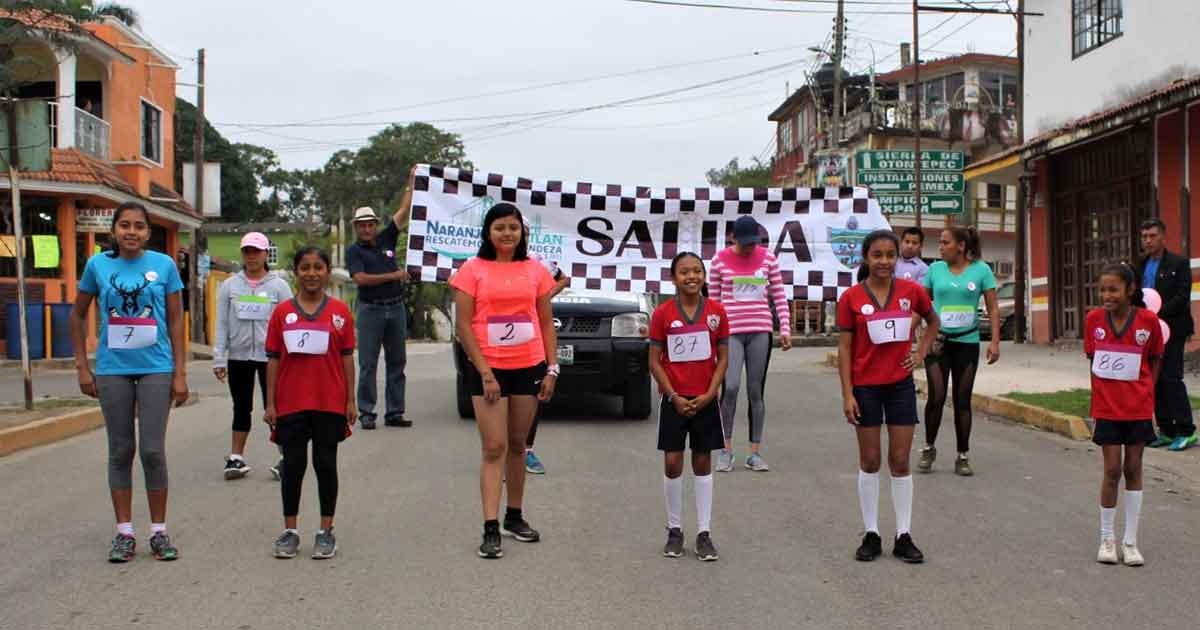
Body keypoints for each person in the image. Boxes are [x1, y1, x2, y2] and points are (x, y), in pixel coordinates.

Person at [70, 202, 188, 563]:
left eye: (139, 226)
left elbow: (175, 319)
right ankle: (124, 533)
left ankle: (158, 531)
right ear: (115, 230)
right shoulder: (97, 265)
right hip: (112, 369)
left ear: (148, 232)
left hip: (156, 366)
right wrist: (82, 367)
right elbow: (77, 314)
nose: (131, 232)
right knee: (120, 450)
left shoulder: (164, 266)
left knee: (152, 450)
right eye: (125, 225)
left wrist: (180, 373)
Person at [450, 202, 558, 559]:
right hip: (487, 369)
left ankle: (515, 516)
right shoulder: (472, 269)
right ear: (488, 233)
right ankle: (490, 526)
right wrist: (485, 372)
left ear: (522, 232)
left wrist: (551, 368)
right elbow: (464, 325)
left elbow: (544, 321)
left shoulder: (535, 270)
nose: (507, 233)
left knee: (517, 445)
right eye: (500, 227)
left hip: (528, 366)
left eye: (513, 227)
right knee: (493, 447)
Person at [837, 230, 939, 564]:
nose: (884, 261)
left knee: (899, 460)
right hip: (865, 388)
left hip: (900, 387)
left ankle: (903, 534)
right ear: (866, 258)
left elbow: (932, 321)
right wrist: (847, 393)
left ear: (897, 258)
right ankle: (871, 533)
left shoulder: (911, 291)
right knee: (869, 461)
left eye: (889, 255)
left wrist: (921, 352)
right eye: (877, 255)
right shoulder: (851, 297)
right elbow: (845, 348)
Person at [264, 246, 356, 560]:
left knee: (325, 464)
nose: (312, 273)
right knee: (292, 466)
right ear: (296, 272)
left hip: (329, 401)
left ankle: (325, 530)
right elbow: (273, 359)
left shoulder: (340, 312)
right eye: (305, 267)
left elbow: (347, 359)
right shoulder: (281, 313)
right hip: (291, 403)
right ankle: (290, 530)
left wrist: (351, 400)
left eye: (318, 267)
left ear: (327, 271)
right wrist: (270, 403)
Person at [649, 252, 730, 561]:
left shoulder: (717, 312)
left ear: (705, 276)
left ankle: (704, 532)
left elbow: (722, 357)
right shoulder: (663, 313)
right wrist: (672, 396)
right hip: (675, 399)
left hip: (705, 398)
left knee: (702, 461)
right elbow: (654, 362)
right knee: (672, 463)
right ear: (674, 278)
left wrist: (711, 394)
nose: (692, 276)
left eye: (697, 271)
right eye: (684, 272)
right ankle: (674, 529)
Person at [1085, 263, 1162, 566]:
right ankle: (1107, 538)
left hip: (1138, 408)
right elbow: (1093, 361)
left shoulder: (1148, 321)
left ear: (1130, 290)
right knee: (1112, 470)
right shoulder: (1093, 320)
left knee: (1133, 468)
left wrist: (1147, 394)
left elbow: (1156, 358)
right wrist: (1099, 399)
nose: (1107, 295)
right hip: (1107, 408)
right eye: (1103, 289)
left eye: (1113, 289)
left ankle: (1130, 541)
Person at [709, 216, 791, 473]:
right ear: (733, 237)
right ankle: (725, 449)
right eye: (744, 243)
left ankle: (754, 452)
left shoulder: (768, 259)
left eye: (752, 243)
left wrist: (785, 328)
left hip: (760, 330)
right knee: (730, 387)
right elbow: (712, 300)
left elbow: (778, 294)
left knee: (756, 391)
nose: (748, 248)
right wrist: (712, 334)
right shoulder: (719, 261)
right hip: (730, 332)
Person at [918, 226, 1000, 476]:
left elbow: (993, 308)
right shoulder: (934, 270)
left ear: (961, 246)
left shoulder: (982, 270)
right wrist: (911, 338)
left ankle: (962, 455)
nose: (940, 247)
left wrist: (995, 342)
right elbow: (920, 306)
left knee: (963, 400)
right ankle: (928, 447)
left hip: (967, 343)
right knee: (937, 396)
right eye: (939, 242)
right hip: (938, 343)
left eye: (945, 242)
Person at [212, 232, 293, 481]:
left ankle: (285, 456)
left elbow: (290, 322)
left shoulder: (279, 286)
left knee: (275, 406)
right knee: (241, 407)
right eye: (247, 251)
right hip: (239, 356)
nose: (252, 256)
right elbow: (222, 323)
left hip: (271, 357)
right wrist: (219, 357)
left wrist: (292, 357)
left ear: (266, 254)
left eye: (256, 251)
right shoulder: (230, 286)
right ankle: (236, 457)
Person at [346, 196, 411, 430]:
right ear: (356, 227)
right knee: (368, 363)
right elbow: (360, 279)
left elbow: (404, 211)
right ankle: (367, 412)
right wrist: (393, 276)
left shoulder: (386, 238)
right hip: (370, 309)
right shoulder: (354, 251)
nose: (366, 229)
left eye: (370, 224)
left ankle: (394, 412)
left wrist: (411, 184)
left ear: (375, 225)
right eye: (362, 225)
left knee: (397, 362)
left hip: (395, 307)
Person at [1135, 218, 1197, 451]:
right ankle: (1167, 431)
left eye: (1152, 235)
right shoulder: (1140, 264)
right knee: (1155, 380)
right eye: (1144, 236)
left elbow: (1182, 297)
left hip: (1173, 329)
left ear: (1163, 237)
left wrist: (1157, 313)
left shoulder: (1179, 263)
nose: (1148, 240)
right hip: (1148, 331)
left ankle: (1186, 431)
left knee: (1171, 378)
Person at [523, 253, 570, 475]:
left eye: (519, 230)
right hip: (499, 343)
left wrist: (543, 297)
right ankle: (501, 454)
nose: (512, 235)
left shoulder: (537, 262)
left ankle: (526, 450)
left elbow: (564, 279)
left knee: (533, 393)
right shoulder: (489, 262)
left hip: (533, 335)